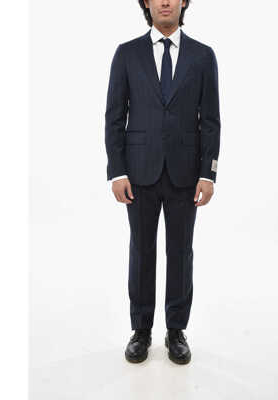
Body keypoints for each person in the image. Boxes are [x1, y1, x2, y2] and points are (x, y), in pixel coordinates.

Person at [104, 0, 220, 365]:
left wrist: (208, 173)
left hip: (186, 174)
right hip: (139, 173)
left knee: (181, 251)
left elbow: (211, 120)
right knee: (142, 250)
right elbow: (114, 117)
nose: (165, 2)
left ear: (184, 1)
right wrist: (117, 171)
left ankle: (176, 329)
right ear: (146, 3)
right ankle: (141, 329)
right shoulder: (127, 54)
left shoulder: (203, 56)